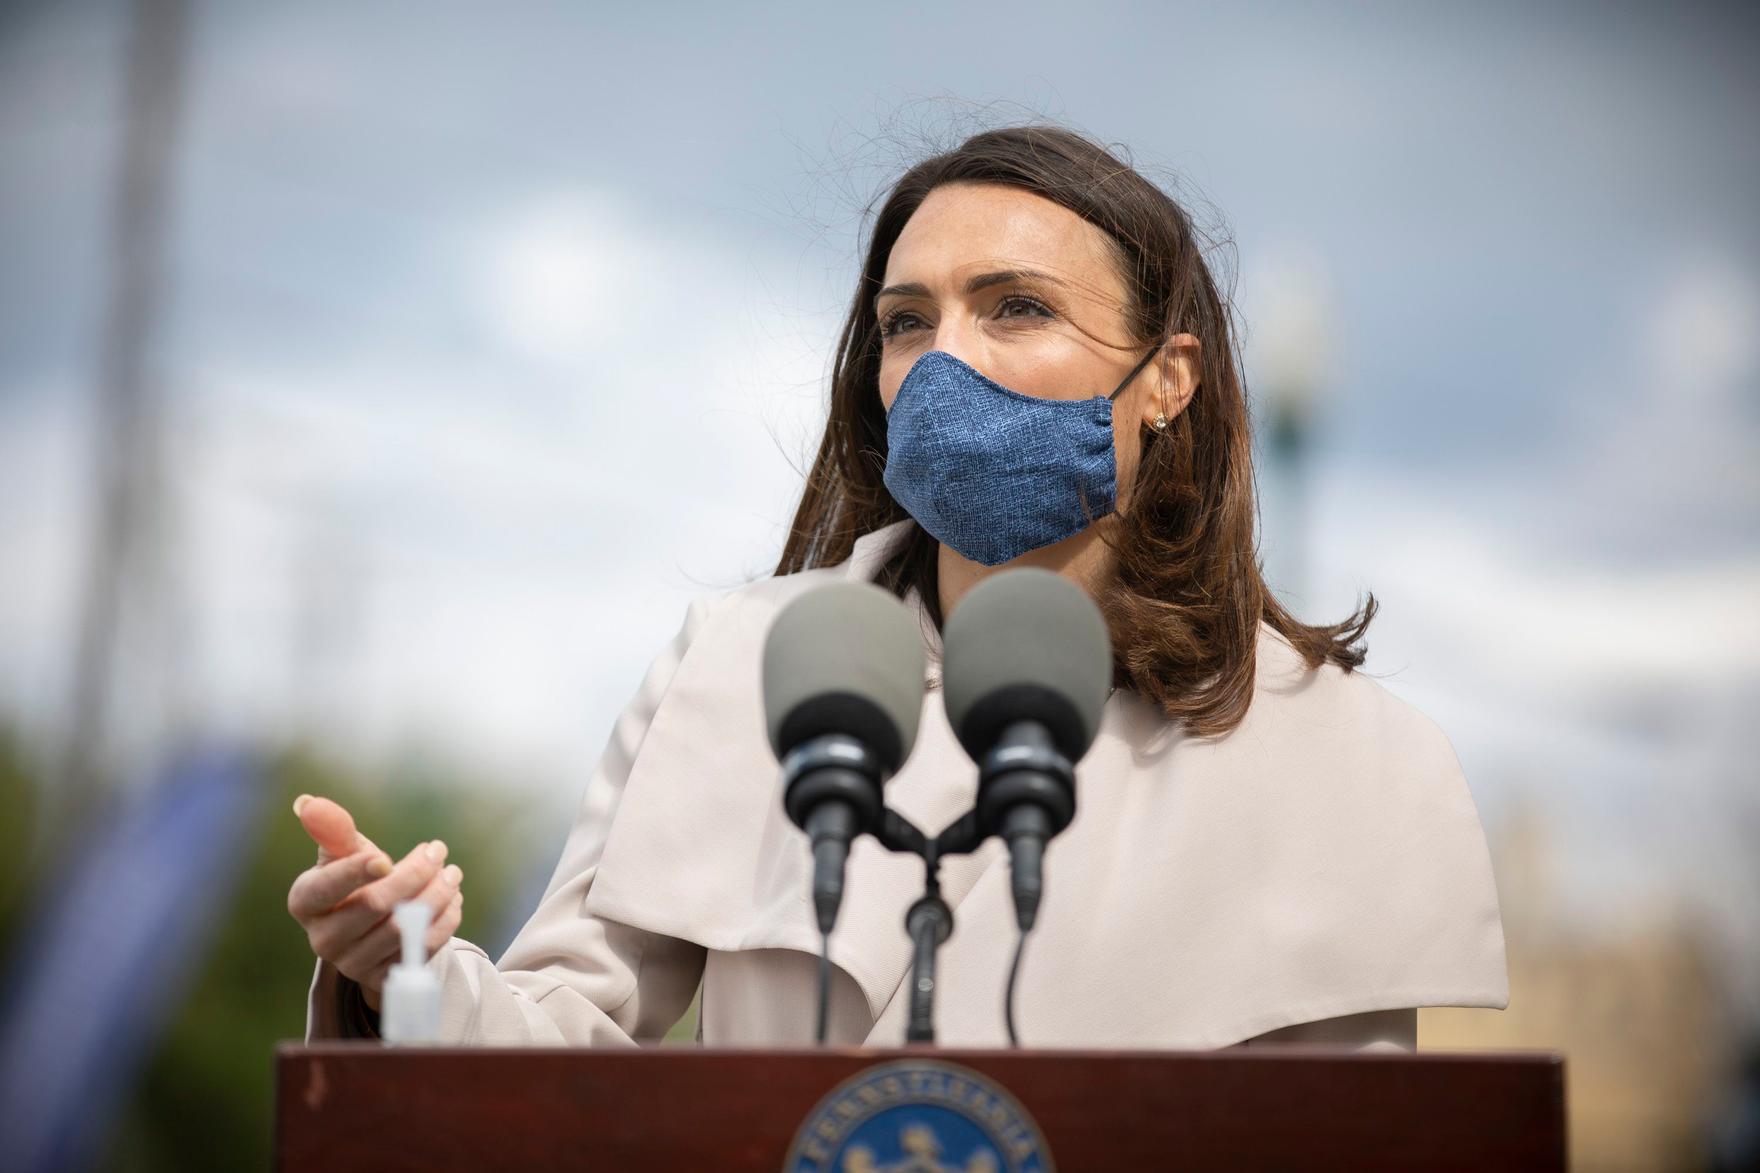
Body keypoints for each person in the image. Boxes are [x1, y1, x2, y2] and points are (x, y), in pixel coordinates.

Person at [288, 124, 1507, 1050]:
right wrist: (399, 968)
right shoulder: (736, 662)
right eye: (907, 321)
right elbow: (565, 1034)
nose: (944, 365)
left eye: (1015, 308)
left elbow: (1355, 1133)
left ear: (1166, 379)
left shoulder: (1338, 754)